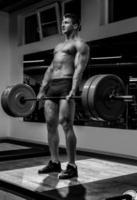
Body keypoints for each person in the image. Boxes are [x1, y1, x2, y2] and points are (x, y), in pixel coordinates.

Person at [37, 13, 89, 179]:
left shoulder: (80, 45)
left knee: (66, 124)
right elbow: (51, 68)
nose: (62, 25)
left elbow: (79, 69)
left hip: (66, 84)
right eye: (62, 22)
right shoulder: (58, 46)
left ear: (75, 25)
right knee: (50, 125)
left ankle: (72, 166)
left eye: (66, 22)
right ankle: (54, 162)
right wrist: (42, 90)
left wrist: (74, 88)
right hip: (53, 86)